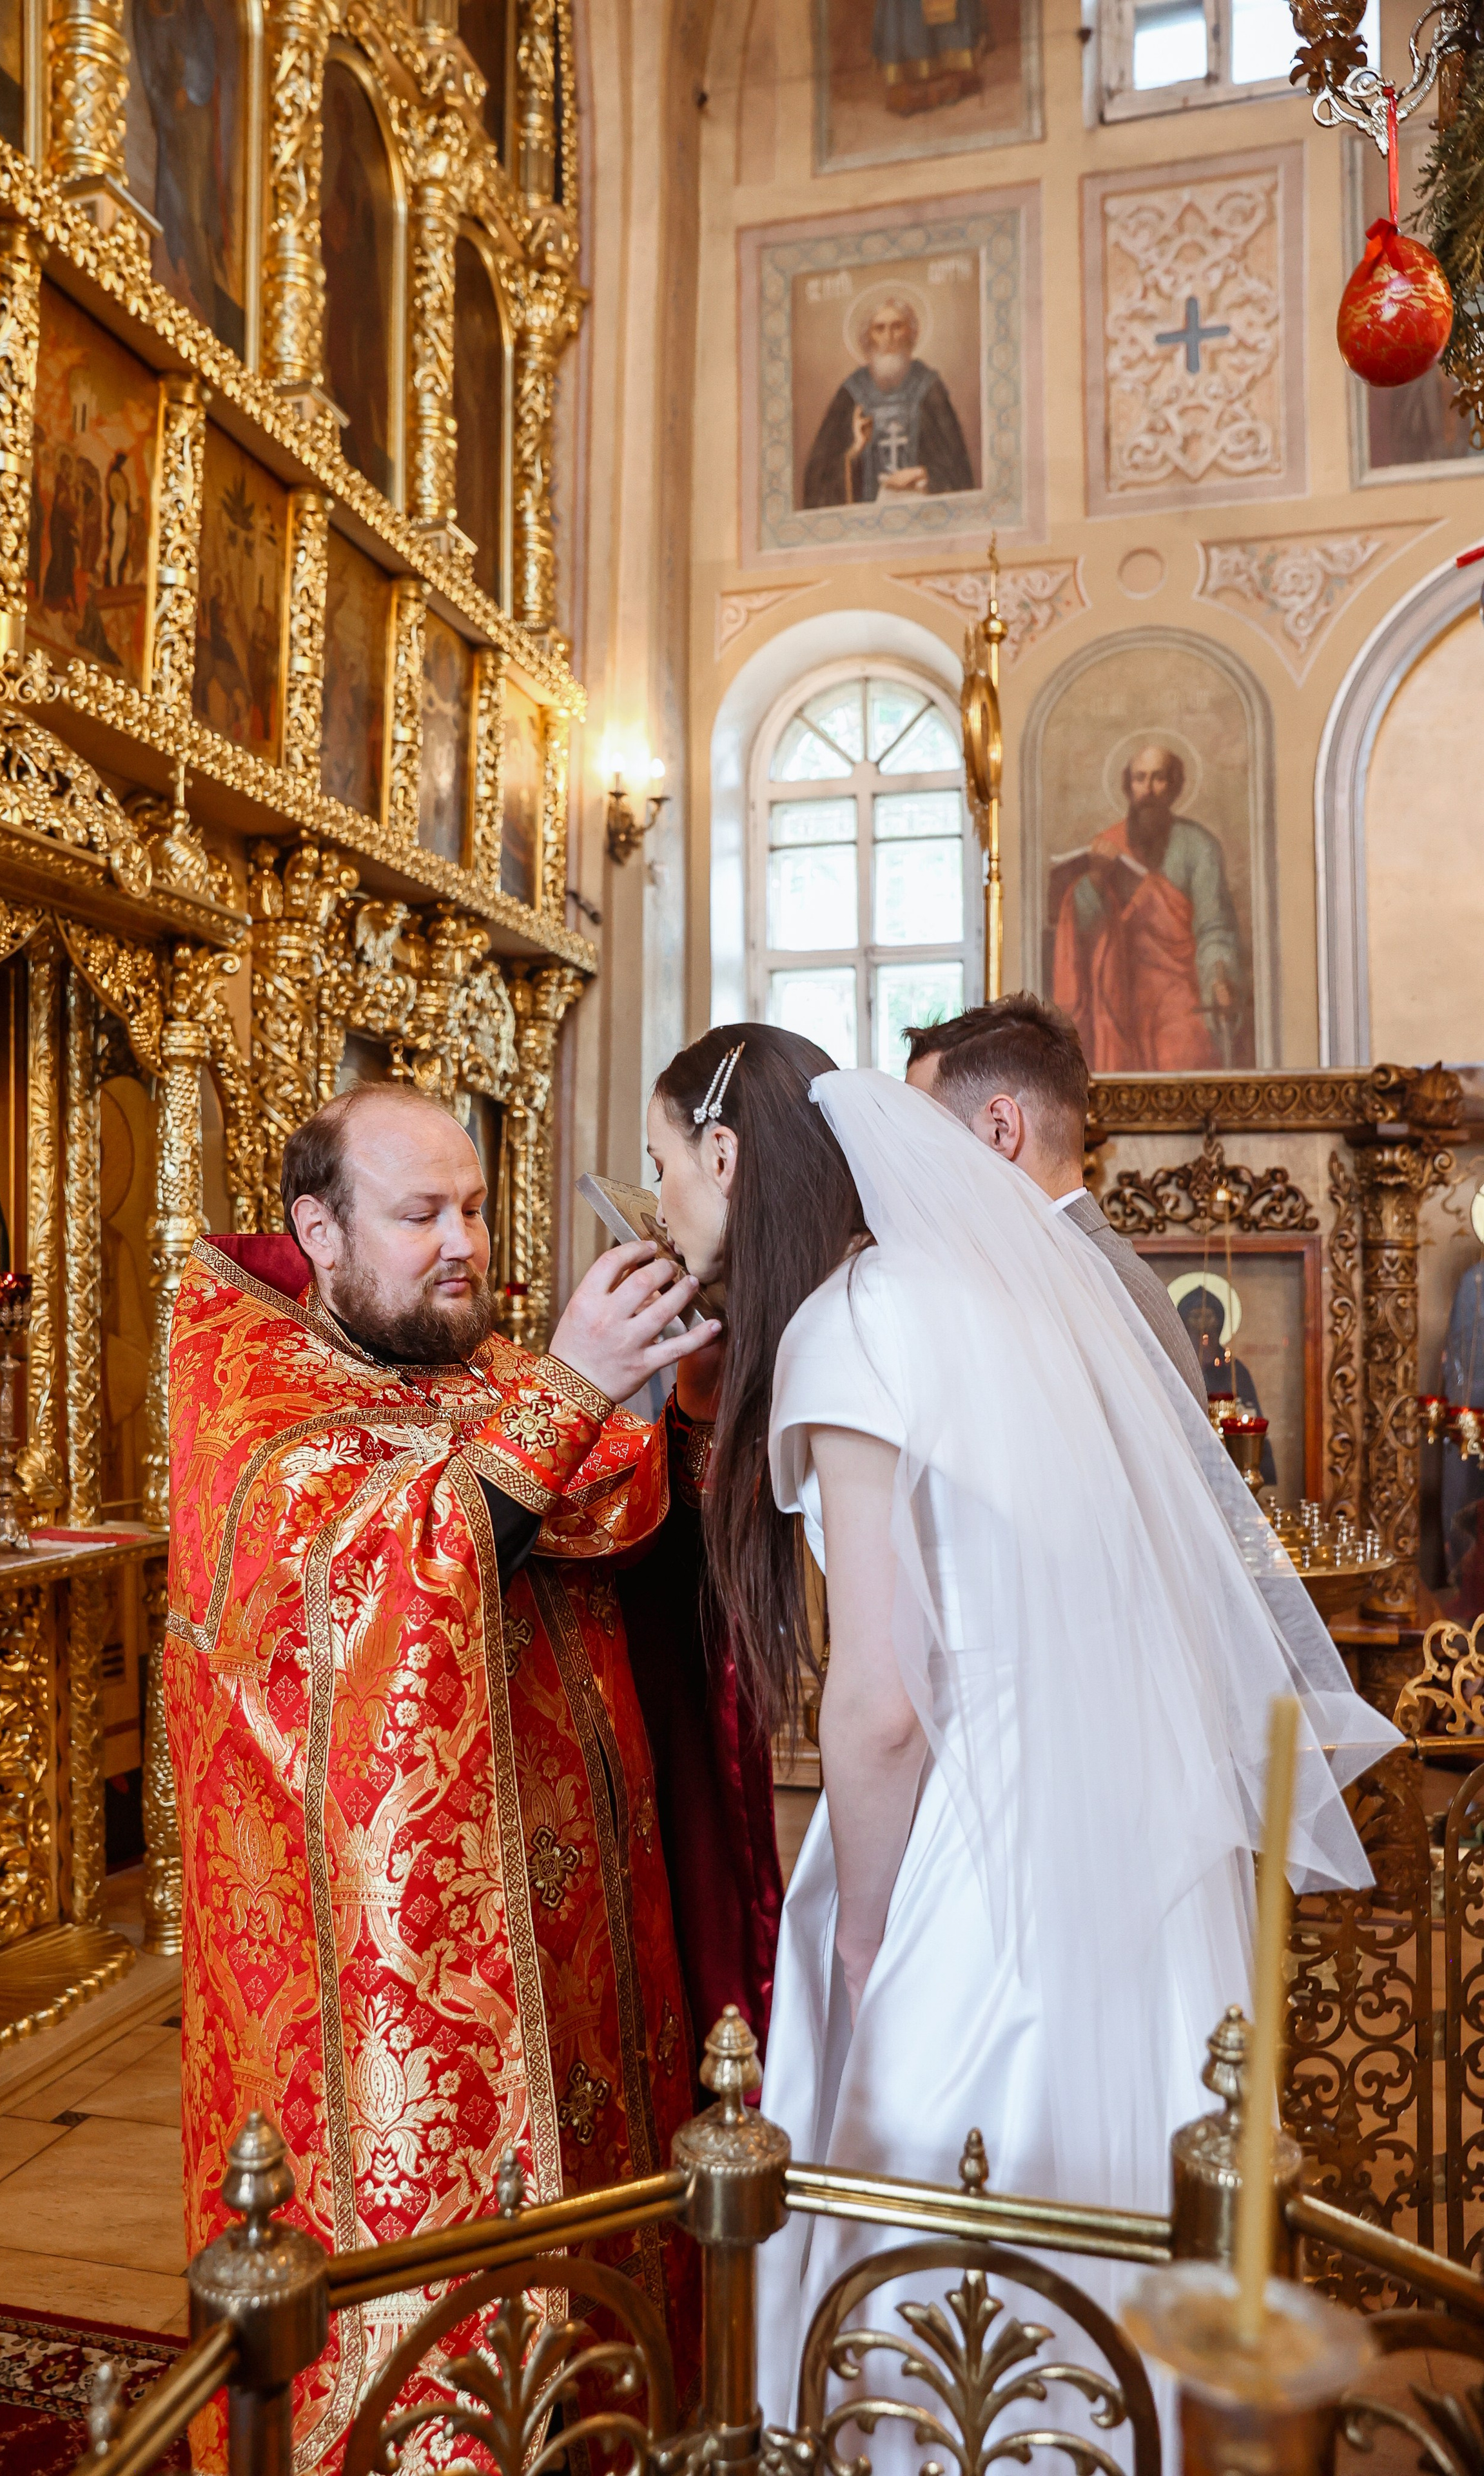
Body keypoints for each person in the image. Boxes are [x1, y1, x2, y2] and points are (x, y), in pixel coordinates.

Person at [644, 1026, 1398, 2437]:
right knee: (1118, 2194)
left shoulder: (849, 1323)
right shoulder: (1009, 1295)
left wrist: (863, 1933)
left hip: (972, 1838)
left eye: (661, 1165)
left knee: (941, 2204)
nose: (659, 1202)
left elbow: (882, 1701)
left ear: (725, 1158)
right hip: (1125, 1824)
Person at [165, 1082, 780, 2475]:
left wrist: (678, 1403)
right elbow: (373, 1585)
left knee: (598, 2261)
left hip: (580, 1944)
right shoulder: (249, 1391)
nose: (464, 1244)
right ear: (319, 1230)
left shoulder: (479, 1361)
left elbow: (604, 1509)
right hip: (397, 1968)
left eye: (477, 1208)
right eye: (421, 1215)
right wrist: (569, 1389)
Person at [904, 992, 1209, 1408]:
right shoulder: (1048, 1267)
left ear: (1001, 1128)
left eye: (928, 1133)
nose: (916, 1161)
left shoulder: (1111, 1292)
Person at [1050, 744, 1247, 1072]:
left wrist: (1218, 978)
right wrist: (1096, 880)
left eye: (1159, 778)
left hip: (1179, 992)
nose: (1149, 789)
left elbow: (1214, 926)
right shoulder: (1108, 845)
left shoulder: (1199, 847)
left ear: (1174, 786)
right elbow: (1080, 929)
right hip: (1119, 991)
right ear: (1129, 786)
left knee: (1185, 1058)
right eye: (1140, 779)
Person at [801, 295, 974, 509]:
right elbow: (818, 480)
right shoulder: (852, 393)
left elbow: (958, 470)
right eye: (879, 329)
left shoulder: (929, 387)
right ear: (868, 337)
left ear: (911, 333)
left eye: (897, 327)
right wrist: (855, 450)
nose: (889, 337)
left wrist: (921, 474)